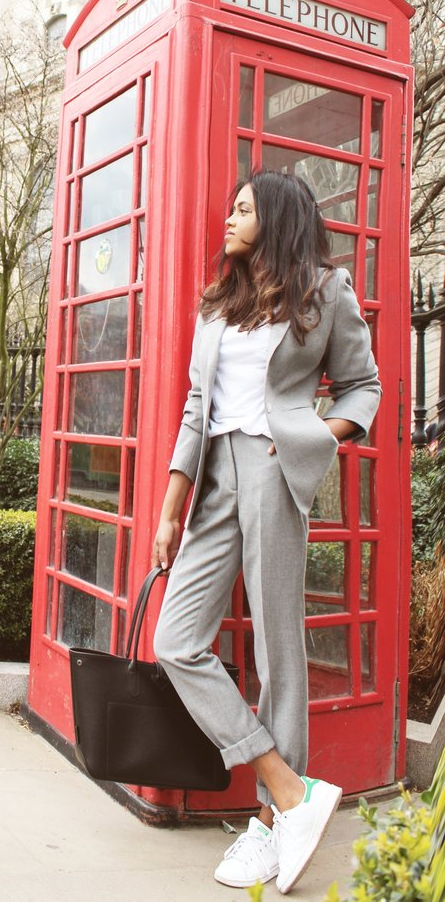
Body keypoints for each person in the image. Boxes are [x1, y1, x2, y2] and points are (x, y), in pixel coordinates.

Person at [153, 169, 381, 895]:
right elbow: (197, 404)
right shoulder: (218, 302)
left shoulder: (322, 293)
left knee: (278, 652)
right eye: (230, 204)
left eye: (243, 207)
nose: (229, 216)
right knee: (176, 640)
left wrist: (307, 440)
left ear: (276, 217)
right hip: (214, 477)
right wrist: (169, 506)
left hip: (273, 470)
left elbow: (364, 386)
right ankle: (286, 787)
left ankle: (264, 825)